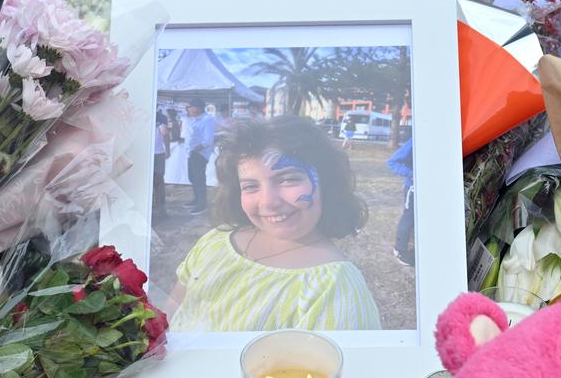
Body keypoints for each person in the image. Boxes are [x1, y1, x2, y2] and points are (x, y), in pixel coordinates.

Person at [167, 116, 381, 331]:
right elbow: (175, 307)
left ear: (327, 183)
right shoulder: (216, 240)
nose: (268, 202)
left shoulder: (335, 290)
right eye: (251, 186)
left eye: (288, 179)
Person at [186, 98, 216, 215]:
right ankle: (196, 200)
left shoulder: (207, 120)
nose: (189, 109)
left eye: (190, 107)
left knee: (199, 179)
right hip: (192, 153)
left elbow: (208, 140)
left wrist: (194, 150)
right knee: (193, 178)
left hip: (199, 154)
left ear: (197, 108)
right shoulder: (196, 120)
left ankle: (202, 204)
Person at [387, 138, 414, 266]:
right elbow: (392, 162)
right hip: (413, 189)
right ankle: (400, 250)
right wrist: (412, 174)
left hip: (430, 189)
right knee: (408, 219)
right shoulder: (415, 140)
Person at [153, 108, 170, 219]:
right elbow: (165, 133)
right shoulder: (161, 117)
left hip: (151, 154)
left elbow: (164, 133)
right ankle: (160, 210)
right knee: (159, 183)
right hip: (157, 154)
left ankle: (157, 209)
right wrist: (167, 149)